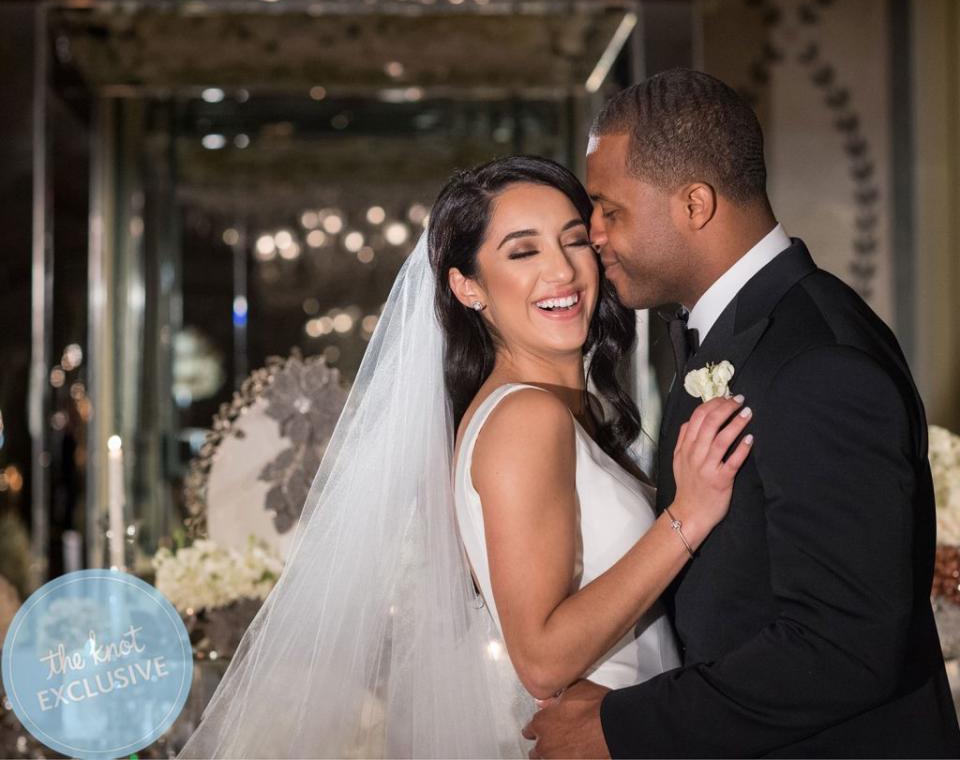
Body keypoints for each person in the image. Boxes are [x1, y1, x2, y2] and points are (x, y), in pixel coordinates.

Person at [176, 155, 752, 759]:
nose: (561, 270)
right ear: (467, 286)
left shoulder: (543, 409)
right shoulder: (524, 418)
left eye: (574, 240)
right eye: (522, 252)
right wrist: (688, 517)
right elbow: (540, 658)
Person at [522, 67, 960, 758]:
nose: (594, 237)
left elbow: (841, 647)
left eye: (610, 210)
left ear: (695, 204)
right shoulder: (739, 332)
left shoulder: (819, 362)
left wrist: (620, 726)